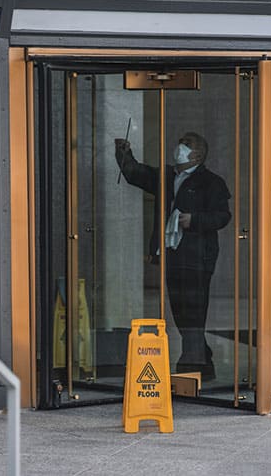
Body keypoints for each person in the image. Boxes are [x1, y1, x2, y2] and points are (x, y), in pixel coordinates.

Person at [115, 132, 231, 380]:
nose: (179, 146)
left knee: (194, 311)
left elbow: (223, 216)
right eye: (180, 141)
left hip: (197, 257)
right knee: (180, 310)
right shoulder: (168, 176)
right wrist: (123, 153)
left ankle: (191, 367)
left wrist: (195, 220)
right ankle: (203, 361)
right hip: (172, 255)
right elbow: (136, 173)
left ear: (198, 155)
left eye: (187, 144)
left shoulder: (211, 182)